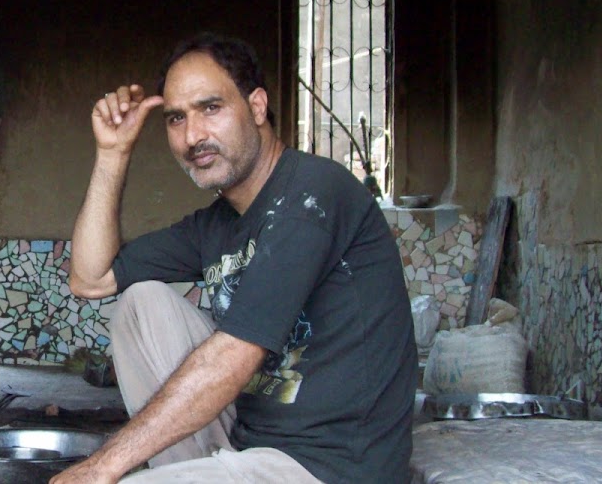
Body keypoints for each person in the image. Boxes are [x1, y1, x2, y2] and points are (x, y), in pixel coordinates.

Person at [54, 34, 416, 483]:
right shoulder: (216, 224)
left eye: (211, 108)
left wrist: (102, 466)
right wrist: (113, 152)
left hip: (331, 470)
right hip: (250, 447)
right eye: (175, 118)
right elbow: (90, 279)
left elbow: (235, 354)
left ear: (258, 107)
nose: (193, 136)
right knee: (141, 304)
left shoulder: (315, 192)